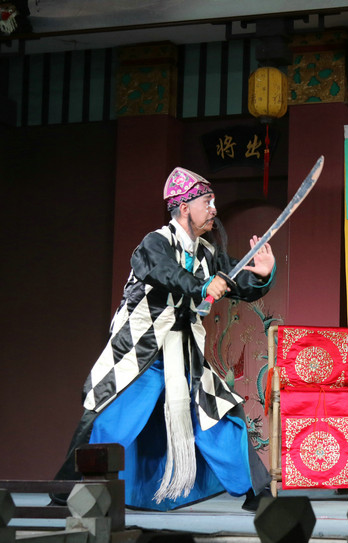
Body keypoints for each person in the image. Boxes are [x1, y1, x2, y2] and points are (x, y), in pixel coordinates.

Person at [52, 167, 275, 511]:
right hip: (141, 351)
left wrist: (261, 275)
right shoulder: (154, 243)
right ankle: (67, 492)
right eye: (207, 202)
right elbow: (166, 273)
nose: (213, 209)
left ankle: (255, 493)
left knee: (217, 414)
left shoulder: (206, 253)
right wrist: (203, 285)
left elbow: (238, 282)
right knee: (112, 422)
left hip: (185, 354)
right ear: (184, 207)